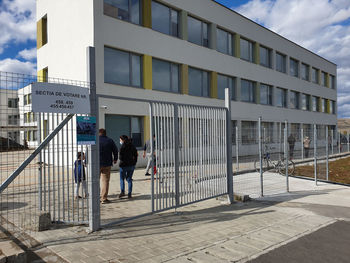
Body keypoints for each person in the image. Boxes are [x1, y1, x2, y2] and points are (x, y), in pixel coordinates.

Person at [99, 128, 118, 204]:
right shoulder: (110, 140)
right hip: (107, 163)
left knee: (94, 181)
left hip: (95, 164)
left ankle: (95, 198)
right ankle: (104, 198)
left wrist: (86, 161)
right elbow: (115, 150)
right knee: (105, 181)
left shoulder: (95, 140)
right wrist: (115, 159)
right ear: (105, 133)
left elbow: (88, 150)